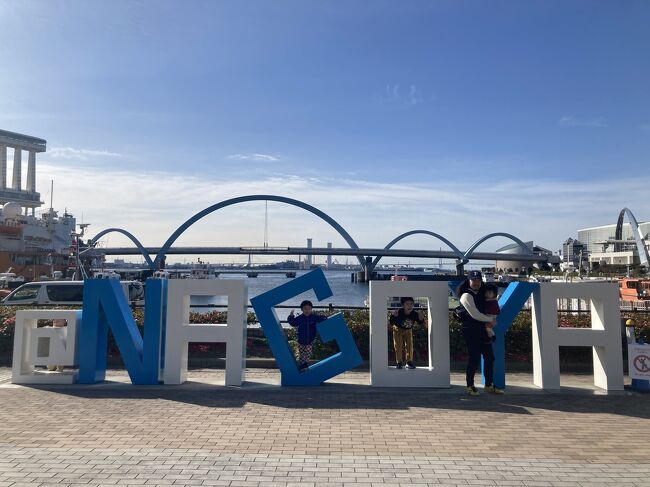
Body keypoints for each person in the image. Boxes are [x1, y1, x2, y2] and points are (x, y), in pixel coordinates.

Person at [456, 270, 503, 396]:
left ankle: (488, 385)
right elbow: (475, 314)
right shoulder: (466, 295)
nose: (476, 283)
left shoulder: (483, 293)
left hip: (483, 330)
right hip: (471, 330)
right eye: (473, 280)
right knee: (474, 358)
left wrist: (491, 320)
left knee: (490, 358)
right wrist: (491, 320)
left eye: (478, 280)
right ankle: (470, 385)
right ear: (469, 281)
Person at [288, 300, 327, 370]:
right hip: (301, 340)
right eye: (305, 308)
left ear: (311, 309)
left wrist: (324, 317)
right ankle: (303, 367)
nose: (307, 310)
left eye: (309, 308)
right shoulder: (300, 318)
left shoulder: (314, 317)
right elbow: (293, 323)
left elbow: (320, 318)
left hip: (310, 340)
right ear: (302, 309)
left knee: (308, 354)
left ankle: (304, 366)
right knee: (302, 354)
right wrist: (291, 316)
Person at [389, 297, 424, 369]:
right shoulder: (399, 312)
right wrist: (394, 316)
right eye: (407, 304)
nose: (410, 306)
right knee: (398, 345)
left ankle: (409, 361)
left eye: (411, 304)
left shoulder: (414, 313)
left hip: (408, 330)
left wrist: (421, 316)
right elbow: (391, 322)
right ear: (402, 305)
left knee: (409, 346)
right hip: (398, 329)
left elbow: (420, 322)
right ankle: (399, 362)